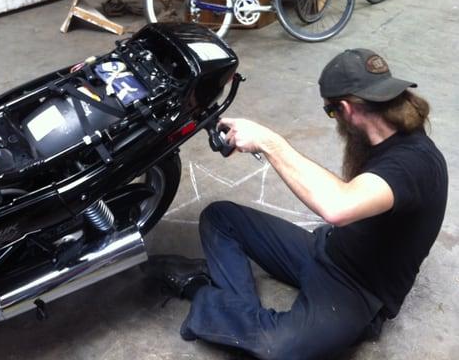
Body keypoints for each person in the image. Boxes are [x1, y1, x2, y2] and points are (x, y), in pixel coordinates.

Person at [142, 49, 448, 360]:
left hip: (358, 290)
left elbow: (338, 206)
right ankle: (238, 316)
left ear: (346, 109)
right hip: (329, 248)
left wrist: (268, 141)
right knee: (220, 217)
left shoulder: (414, 163)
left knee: (278, 348)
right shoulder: (383, 133)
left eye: (331, 113)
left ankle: (200, 291)